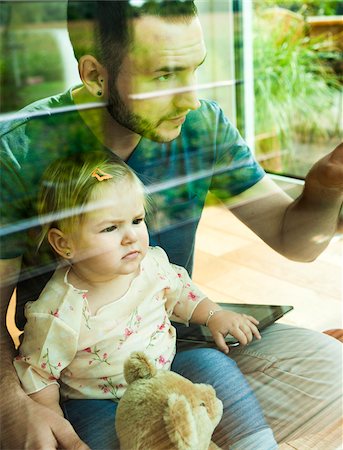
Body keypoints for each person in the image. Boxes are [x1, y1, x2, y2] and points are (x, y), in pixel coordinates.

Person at [0, 1, 342, 449]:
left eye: (193, 69)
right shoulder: (18, 153)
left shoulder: (203, 125)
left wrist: (324, 187)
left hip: (182, 341)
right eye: (164, 75)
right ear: (94, 74)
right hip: (80, 380)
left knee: (331, 369)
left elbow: (295, 241)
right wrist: (15, 408)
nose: (190, 98)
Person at [13, 152, 278, 450]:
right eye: (110, 228)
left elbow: (182, 294)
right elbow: (38, 372)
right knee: (97, 435)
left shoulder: (152, 265)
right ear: (65, 244)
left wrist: (214, 314)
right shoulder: (59, 310)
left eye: (136, 220)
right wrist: (52, 418)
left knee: (211, 363)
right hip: (98, 400)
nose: (131, 237)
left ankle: (255, 443)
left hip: (166, 372)